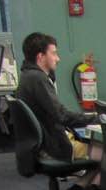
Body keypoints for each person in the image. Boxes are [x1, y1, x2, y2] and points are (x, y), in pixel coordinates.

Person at [16, 32, 97, 161]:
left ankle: (83, 182)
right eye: (53, 53)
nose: (57, 58)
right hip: (55, 147)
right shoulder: (38, 79)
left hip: (45, 144)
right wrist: (97, 119)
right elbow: (62, 116)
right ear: (41, 56)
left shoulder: (27, 76)